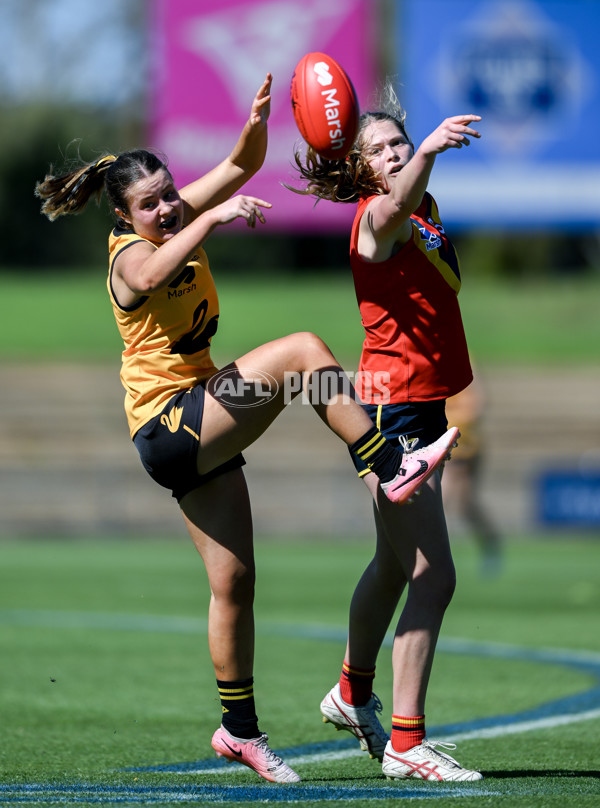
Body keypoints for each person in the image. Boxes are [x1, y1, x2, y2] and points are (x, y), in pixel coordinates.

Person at [35, 74, 458, 785]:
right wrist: (209, 217)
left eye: (171, 192)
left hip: (200, 417)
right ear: (121, 214)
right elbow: (158, 266)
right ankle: (387, 464)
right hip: (171, 424)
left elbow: (238, 166)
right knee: (302, 351)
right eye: (151, 202)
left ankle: (239, 731)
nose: (168, 206)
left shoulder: (171, 216)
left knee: (234, 585)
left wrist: (258, 123)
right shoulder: (129, 255)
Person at [289, 82, 484, 782]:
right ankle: (405, 744)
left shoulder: (420, 206)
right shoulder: (379, 215)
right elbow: (394, 208)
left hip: (411, 403)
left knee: (396, 565)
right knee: (435, 576)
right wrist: (428, 150)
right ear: (362, 172)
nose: (396, 154)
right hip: (394, 412)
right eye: (380, 150)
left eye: (400, 142)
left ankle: (350, 690)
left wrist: (420, 157)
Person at [443, 375, 502, 574]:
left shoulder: (467, 365)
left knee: (462, 506)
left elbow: (475, 406)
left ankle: (490, 542)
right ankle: (431, 558)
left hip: (463, 447)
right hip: (442, 447)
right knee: (450, 503)